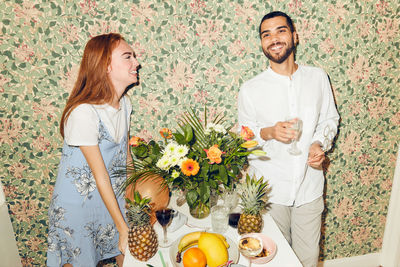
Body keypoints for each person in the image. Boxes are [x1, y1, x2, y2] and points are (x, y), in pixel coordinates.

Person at [238, 11, 339, 267]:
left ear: (294, 36)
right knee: (271, 260)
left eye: (280, 31)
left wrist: (319, 143)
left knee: (306, 260)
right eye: (266, 34)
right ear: (262, 43)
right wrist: (269, 132)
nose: (274, 38)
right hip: (269, 193)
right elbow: (244, 140)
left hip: (309, 188)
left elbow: (329, 119)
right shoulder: (250, 89)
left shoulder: (318, 78)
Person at [47, 33, 140, 267]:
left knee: (129, 259)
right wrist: (122, 227)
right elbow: (100, 175)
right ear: (106, 66)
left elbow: (125, 158)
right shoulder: (84, 112)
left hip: (112, 198)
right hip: (79, 209)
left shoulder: (125, 104)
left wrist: (134, 201)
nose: (136, 63)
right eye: (128, 57)